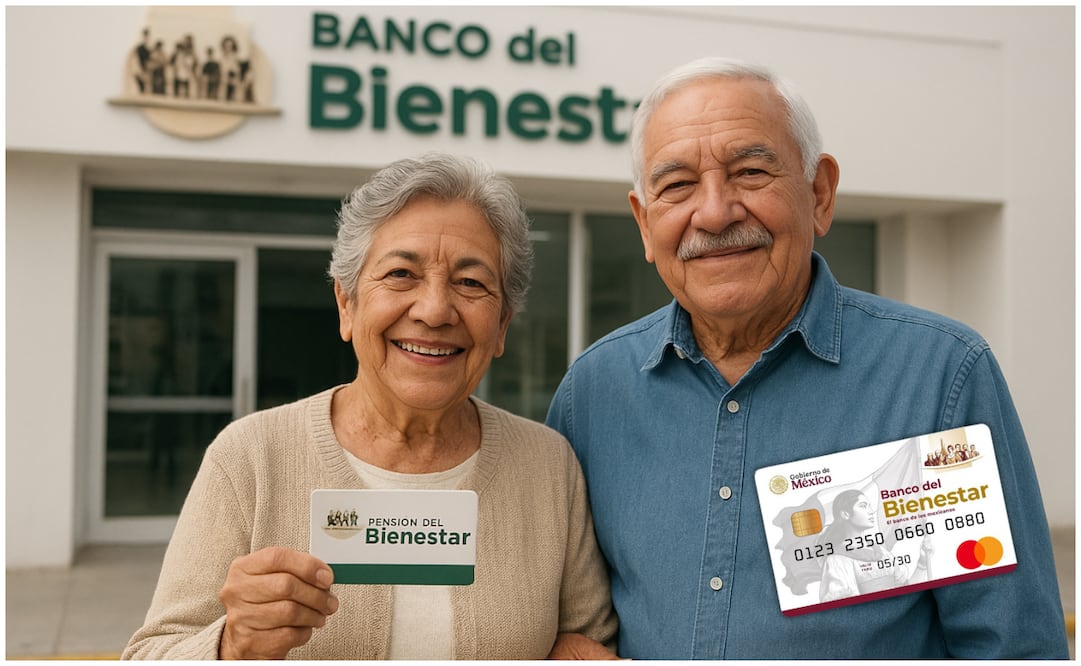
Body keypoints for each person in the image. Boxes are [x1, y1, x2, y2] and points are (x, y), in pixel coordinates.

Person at [545, 56, 1068, 658]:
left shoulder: (938, 379)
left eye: (749, 172)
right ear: (644, 222)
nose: (714, 213)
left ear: (819, 194)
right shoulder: (592, 392)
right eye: (677, 185)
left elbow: (1012, 647)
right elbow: (571, 616)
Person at [123, 153, 617, 660]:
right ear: (347, 304)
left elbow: (591, 637)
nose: (433, 311)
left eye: (471, 283)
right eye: (401, 273)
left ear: (502, 327)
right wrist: (231, 645)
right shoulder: (250, 457)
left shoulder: (549, 466)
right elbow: (151, 654)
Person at [816, 490, 930, 602]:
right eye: (863, 506)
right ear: (845, 514)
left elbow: (907, 592)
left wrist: (922, 564)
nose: (871, 511)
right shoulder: (837, 560)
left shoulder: (882, 553)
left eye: (870, 506)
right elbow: (846, 609)